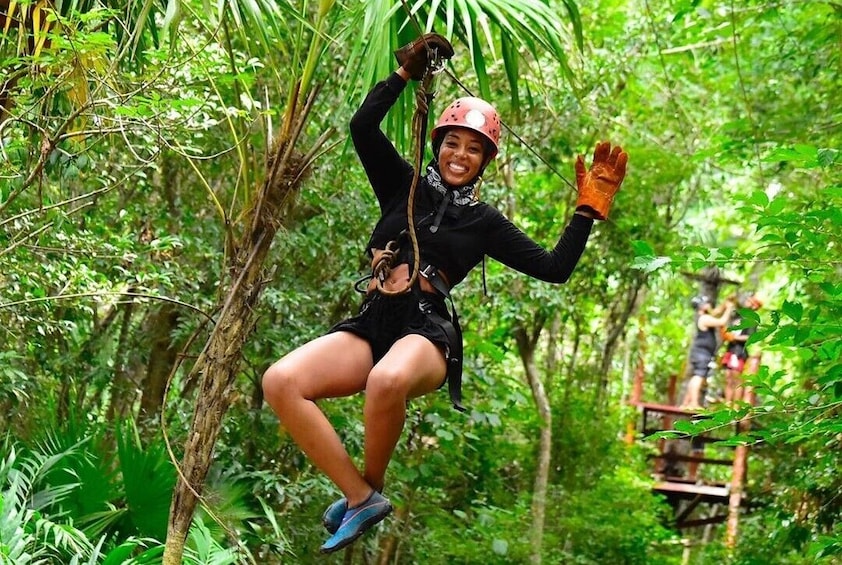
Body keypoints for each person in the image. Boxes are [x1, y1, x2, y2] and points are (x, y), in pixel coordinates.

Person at [261, 33, 628, 554]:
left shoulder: (484, 222)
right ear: (438, 144)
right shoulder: (401, 184)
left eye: (474, 148)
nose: (461, 154)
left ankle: (368, 491)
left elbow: (554, 268)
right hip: (374, 319)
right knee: (280, 381)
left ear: (485, 160)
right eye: (453, 142)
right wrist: (404, 75)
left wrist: (585, 213)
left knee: (387, 380)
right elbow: (362, 128)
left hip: (426, 330)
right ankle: (360, 495)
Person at [680, 294, 736, 409]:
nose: (709, 305)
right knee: (699, 376)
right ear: (702, 306)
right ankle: (694, 403)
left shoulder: (705, 316)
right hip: (702, 353)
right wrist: (729, 309)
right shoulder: (704, 318)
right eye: (706, 303)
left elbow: (715, 312)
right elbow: (721, 321)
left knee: (697, 375)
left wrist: (725, 303)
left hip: (701, 352)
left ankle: (686, 403)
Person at [721, 293, 763, 404]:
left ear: (754, 306)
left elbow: (750, 337)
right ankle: (727, 404)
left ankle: (735, 407)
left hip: (739, 352)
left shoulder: (752, 320)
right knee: (728, 377)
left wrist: (735, 337)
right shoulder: (738, 315)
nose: (747, 301)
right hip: (730, 349)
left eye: (750, 301)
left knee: (736, 379)